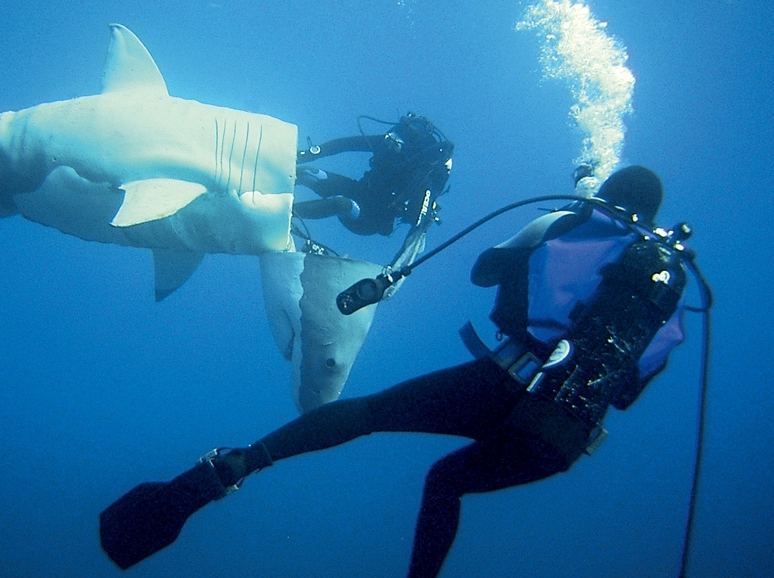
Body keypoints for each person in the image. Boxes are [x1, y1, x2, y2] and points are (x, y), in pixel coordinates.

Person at [100, 165, 689, 577]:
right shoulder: (669, 290)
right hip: (565, 436)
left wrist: (555, 238)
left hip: (503, 382)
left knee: (368, 415)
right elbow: (631, 390)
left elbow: (483, 273)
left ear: (604, 194)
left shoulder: (567, 224)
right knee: (447, 482)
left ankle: (232, 467)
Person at [293, 113, 455, 236]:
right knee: (305, 172)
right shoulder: (388, 143)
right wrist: (310, 154)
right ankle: (271, 194)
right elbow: (347, 144)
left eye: (400, 139)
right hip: (359, 190)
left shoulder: (420, 176)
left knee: (341, 204)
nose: (391, 140)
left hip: (371, 219)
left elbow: (416, 221)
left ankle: (283, 215)